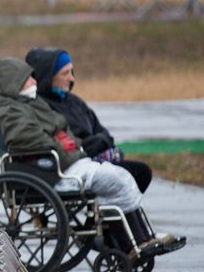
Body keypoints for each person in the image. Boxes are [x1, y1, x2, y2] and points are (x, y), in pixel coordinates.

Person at [0, 57, 185, 257]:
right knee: (115, 181)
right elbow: (29, 138)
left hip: (68, 161)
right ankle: (132, 243)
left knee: (120, 176)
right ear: (14, 82)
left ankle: (143, 238)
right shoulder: (11, 109)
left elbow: (60, 129)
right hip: (51, 169)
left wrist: (72, 146)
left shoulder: (30, 103)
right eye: (29, 79)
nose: (34, 82)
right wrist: (63, 147)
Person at [25, 48, 153, 194]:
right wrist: (98, 142)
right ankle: (112, 214)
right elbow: (70, 144)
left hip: (96, 160)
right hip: (74, 166)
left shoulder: (74, 102)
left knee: (141, 172)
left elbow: (103, 133)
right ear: (49, 77)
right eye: (65, 73)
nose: (71, 78)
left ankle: (112, 215)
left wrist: (100, 141)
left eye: (72, 72)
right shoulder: (43, 108)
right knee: (135, 173)